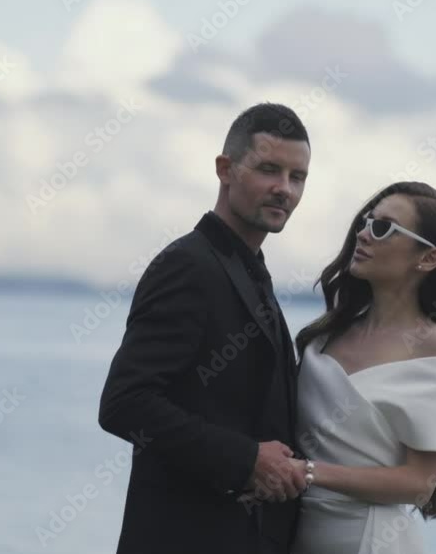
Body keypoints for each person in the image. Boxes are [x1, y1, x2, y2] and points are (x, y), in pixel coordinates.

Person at [98, 102, 312, 554]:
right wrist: (247, 460)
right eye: (269, 170)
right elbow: (124, 404)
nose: (284, 189)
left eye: (298, 177)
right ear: (225, 169)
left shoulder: (248, 269)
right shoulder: (187, 265)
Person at [288, 181, 436, 554]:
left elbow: (419, 484)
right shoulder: (325, 334)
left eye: (383, 228)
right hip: (295, 533)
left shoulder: (435, 343)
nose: (363, 234)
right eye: (367, 221)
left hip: (371, 541)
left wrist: (308, 472)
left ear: (428, 258)